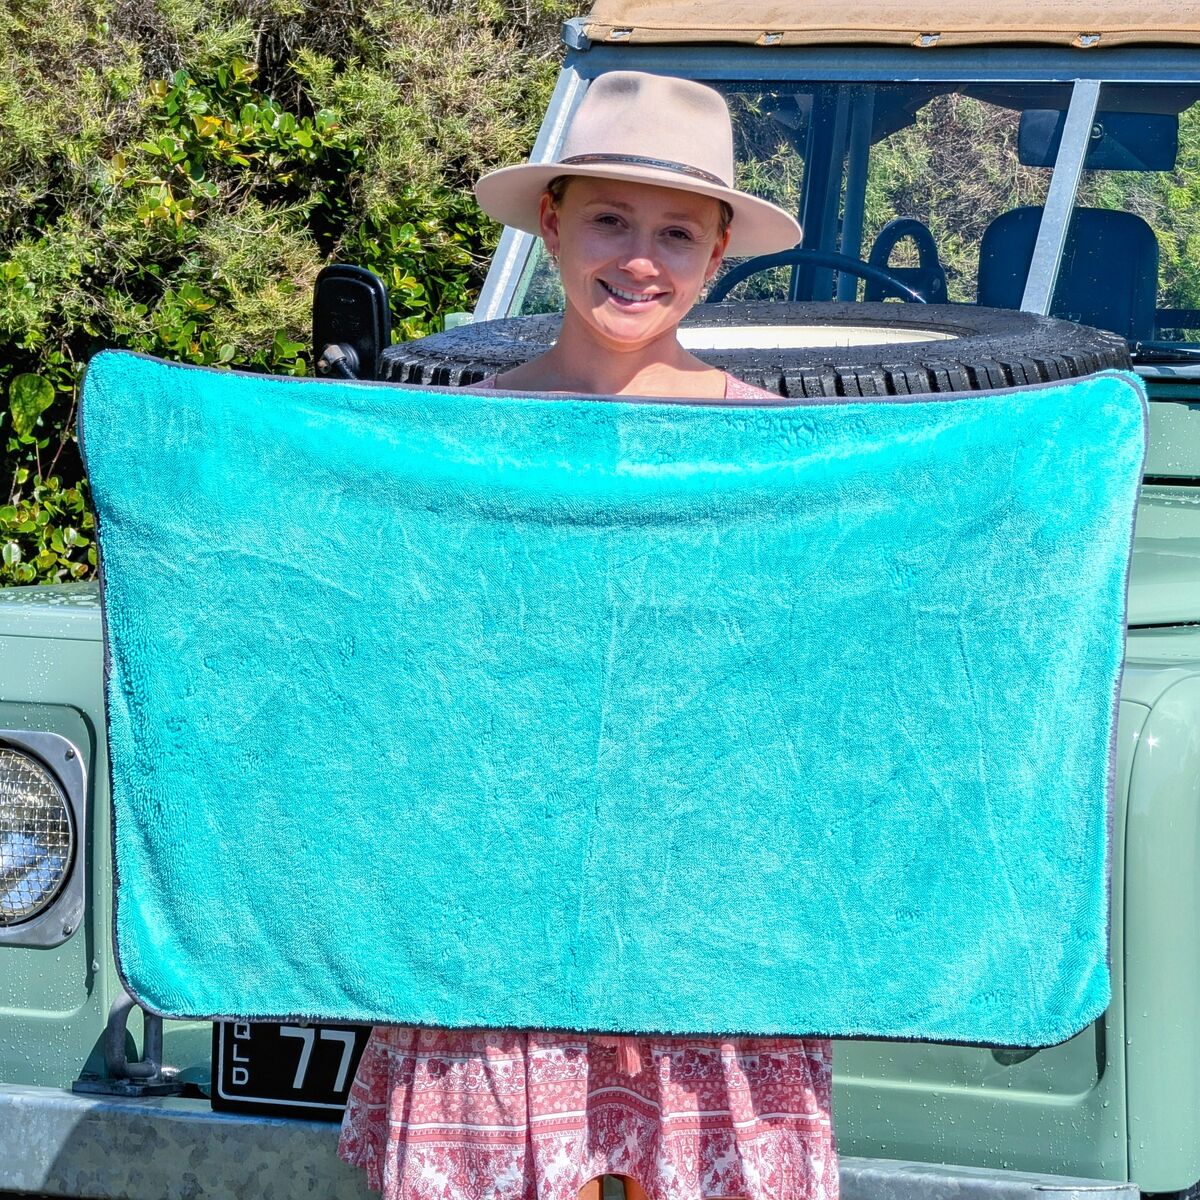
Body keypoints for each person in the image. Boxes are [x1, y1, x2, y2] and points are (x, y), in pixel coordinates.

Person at [338, 71, 838, 1200]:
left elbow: (807, 694)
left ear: (718, 253)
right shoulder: (453, 443)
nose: (639, 259)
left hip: (707, 921)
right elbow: (404, 677)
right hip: (498, 915)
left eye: (676, 231)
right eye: (611, 218)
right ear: (553, 225)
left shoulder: (784, 456)